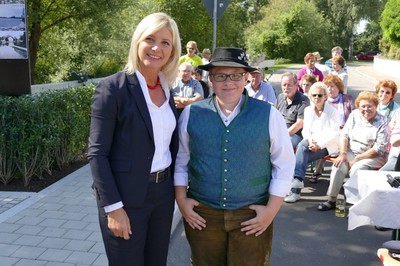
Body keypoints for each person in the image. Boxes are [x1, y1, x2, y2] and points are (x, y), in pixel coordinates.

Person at [174, 47, 295, 265]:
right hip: (204, 214)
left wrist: (271, 210)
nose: (228, 82)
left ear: (246, 77)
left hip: (251, 214)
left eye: (236, 75)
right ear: (210, 79)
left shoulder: (269, 114)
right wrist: (181, 200)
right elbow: (181, 161)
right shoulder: (193, 113)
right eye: (220, 75)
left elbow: (284, 164)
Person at [87, 13, 181, 266]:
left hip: (162, 196)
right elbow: (97, 154)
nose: (156, 48)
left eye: (165, 42)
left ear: (173, 51)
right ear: (137, 42)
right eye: (149, 39)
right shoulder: (112, 88)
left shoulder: (167, 89)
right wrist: (113, 208)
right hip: (125, 198)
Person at [317, 91, 389, 211]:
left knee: (356, 169)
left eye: (370, 106)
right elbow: (344, 135)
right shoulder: (355, 115)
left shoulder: (382, 121)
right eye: (363, 106)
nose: (366, 109)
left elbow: (379, 148)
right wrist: (343, 153)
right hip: (351, 150)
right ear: (358, 107)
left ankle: (354, 204)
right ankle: (332, 199)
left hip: (373, 156)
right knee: (338, 165)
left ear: (376, 106)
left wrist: (357, 159)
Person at [284, 82, 340, 203]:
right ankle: (298, 182)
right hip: (311, 143)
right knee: (303, 146)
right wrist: (310, 141)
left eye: (320, 95)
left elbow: (334, 134)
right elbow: (306, 130)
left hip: (328, 145)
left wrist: (319, 145)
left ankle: (295, 189)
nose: (316, 98)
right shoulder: (308, 110)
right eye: (314, 95)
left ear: (325, 96)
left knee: (299, 157)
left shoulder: (332, 112)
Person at [312, 74, 355, 180]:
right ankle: (317, 171)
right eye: (327, 86)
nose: (329, 89)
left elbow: (354, 115)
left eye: (332, 86)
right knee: (322, 140)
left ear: (338, 87)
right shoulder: (322, 100)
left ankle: (345, 176)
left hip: (345, 131)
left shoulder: (347, 99)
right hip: (328, 131)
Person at [275, 72, 310, 148]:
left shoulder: (303, 101)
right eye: (284, 85)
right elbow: (273, 117)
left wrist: (282, 135)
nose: (286, 87)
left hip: (295, 135)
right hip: (278, 132)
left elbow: (299, 124)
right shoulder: (280, 97)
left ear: (296, 85)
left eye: (289, 85)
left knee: (282, 144)